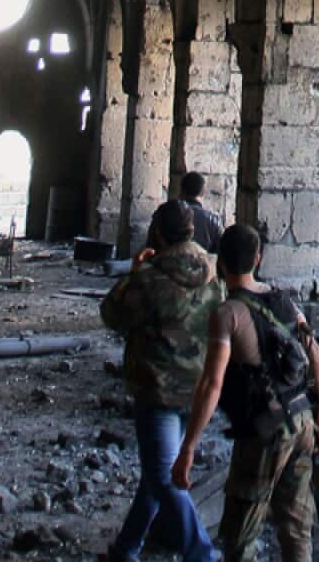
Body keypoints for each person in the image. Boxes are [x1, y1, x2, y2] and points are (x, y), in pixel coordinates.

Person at [171, 224, 319, 562]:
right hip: (301, 420)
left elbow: (211, 384)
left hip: (265, 431)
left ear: (220, 264)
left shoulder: (227, 315)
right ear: (258, 259)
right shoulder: (283, 300)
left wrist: (188, 447)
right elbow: (314, 352)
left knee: (241, 532)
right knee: (297, 527)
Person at [101, 201, 223, 562]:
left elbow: (112, 315)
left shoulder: (150, 279)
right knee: (159, 470)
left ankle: (202, 555)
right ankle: (126, 548)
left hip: (159, 388)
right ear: (191, 232)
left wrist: (133, 272)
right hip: (199, 389)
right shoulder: (214, 273)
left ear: (157, 234)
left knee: (162, 477)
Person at [148, 172, 224, 253]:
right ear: (203, 192)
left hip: (164, 264)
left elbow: (150, 247)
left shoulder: (163, 214)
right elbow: (221, 255)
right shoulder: (214, 221)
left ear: (181, 190)